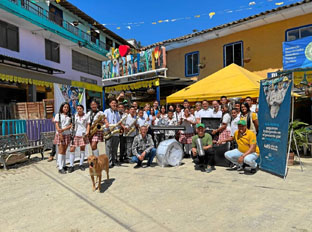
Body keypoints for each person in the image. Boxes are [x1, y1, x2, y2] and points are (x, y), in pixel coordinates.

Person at [68, 104, 90, 173]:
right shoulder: (74, 116)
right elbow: (71, 124)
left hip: (83, 134)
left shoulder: (86, 116)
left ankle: (81, 164)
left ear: (83, 109)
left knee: (82, 149)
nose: (79, 110)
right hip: (75, 134)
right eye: (78, 109)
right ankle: (71, 165)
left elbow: (88, 124)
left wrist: (87, 132)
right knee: (72, 149)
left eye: (80, 108)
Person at [53, 102, 72, 174]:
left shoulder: (69, 116)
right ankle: (60, 167)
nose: (66, 108)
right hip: (60, 134)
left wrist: (64, 129)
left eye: (67, 107)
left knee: (64, 150)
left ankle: (64, 165)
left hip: (67, 134)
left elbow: (71, 125)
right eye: (64, 107)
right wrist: (60, 132)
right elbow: (57, 125)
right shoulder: (58, 115)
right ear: (62, 108)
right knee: (60, 150)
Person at [103, 99, 121, 168]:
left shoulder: (117, 113)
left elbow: (118, 121)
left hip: (115, 132)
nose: (114, 104)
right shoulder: (106, 111)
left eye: (115, 103)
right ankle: (108, 162)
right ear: (110, 104)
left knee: (115, 148)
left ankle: (114, 161)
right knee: (108, 147)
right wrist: (107, 123)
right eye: (113, 103)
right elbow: (104, 118)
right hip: (108, 131)